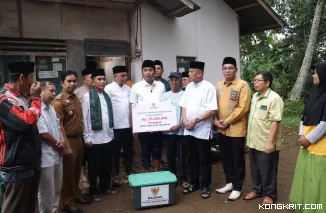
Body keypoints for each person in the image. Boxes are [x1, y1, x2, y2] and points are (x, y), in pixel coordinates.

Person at [0, 62, 42, 213]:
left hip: (29, 163)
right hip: (16, 166)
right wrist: (36, 97)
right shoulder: (4, 100)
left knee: (28, 208)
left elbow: (34, 117)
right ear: (22, 78)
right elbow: (26, 122)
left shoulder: (23, 98)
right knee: (14, 208)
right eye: (31, 77)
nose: (34, 82)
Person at [289, 62, 326, 212]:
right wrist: (300, 135)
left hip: (319, 145)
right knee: (305, 176)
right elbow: (303, 117)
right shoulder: (313, 93)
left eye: (316, 73)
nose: (313, 75)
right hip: (305, 143)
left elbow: (324, 123)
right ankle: (304, 206)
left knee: (316, 180)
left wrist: (308, 139)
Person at [244, 71, 284, 204]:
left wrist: (270, 141)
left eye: (258, 80)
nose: (255, 83)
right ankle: (256, 190)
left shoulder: (274, 98)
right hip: (254, 141)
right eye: (254, 80)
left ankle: (270, 195)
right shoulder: (255, 96)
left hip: (266, 142)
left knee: (269, 170)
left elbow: (275, 121)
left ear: (267, 83)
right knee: (255, 168)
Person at [215, 57, 251, 200]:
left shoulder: (243, 85)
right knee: (225, 157)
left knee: (238, 159)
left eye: (230, 68)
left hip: (236, 129)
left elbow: (243, 108)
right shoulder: (218, 86)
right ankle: (229, 182)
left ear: (236, 69)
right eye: (225, 68)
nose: (227, 70)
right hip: (221, 128)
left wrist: (227, 121)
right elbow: (213, 107)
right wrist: (216, 121)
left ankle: (237, 187)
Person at [179, 61, 217, 199]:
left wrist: (195, 121)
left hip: (202, 131)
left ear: (199, 73)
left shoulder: (209, 87)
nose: (188, 74)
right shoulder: (189, 87)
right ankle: (194, 183)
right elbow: (183, 105)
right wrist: (184, 120)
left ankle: (205, 186)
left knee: (204, 159)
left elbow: (212, 109)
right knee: (191, 158)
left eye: (191, 72)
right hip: (188, 130)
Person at [52, 71, 85, 213]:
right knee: (68, 174)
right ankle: (68, 203)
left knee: (77, 171)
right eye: (69, 81)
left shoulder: (75, 98)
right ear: (62, 83)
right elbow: (58, 125)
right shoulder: (58, 101)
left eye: (74, 81)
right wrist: (64, 143)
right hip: (68, 140)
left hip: (79, 139)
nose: (72, 84)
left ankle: (76, 195)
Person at [82, 68, 117, 202]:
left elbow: (109, 115)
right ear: (93, 81)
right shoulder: (87, 96)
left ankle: (105, 187)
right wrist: (86, 137)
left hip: (107, 136)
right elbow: (84, 118)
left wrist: (112, 132)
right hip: (93, 138)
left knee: (107, 164)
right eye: (99, 79)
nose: (102, 82)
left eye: (104, 79)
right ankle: (93, 191)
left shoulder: (106, 95)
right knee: (93, 167)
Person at [130, 60, 165, 172]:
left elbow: (164, 105)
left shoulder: (161, 86)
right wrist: (134, 126)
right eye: (145, 70)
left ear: (154, 72)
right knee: (144, 150)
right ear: (142, 72)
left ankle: (156, 171)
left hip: (157, 124)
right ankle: (146, 172)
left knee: (157, 149)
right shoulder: (136, 87)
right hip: (142, 125)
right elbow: (132, 106)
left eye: (150, 70)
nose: (148, 73)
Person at [37, 81, 65, 213]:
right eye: (51, 91)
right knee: (46, 192)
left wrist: (63, 140)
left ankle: (55, 211)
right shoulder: (37, 110)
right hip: (45, 157)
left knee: (56, 189)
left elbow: (58, 126)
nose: (54, 94)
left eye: (55, 91)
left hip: (57, 155)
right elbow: (43, 134)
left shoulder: (51, 108)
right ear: (41, 92)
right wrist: (58, 144)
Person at [105, 66, 134, 186]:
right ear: (115, 76)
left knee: (128, 150)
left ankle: (129, 171)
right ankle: (115, 175)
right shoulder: (108, 89)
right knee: (115, 152)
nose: (124, 78)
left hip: (128, 125)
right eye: (122, 76)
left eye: (125, 75)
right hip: (115, 127)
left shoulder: (128, 88)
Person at [74, 60, 97, 192]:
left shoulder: (96, 91)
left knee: (91, 153)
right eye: (90, 78)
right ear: (84, 79)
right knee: (83, 154)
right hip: (81, 126)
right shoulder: (78, 92)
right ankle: (82, 175)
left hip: (93, 126)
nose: (93, 81)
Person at [161, 71, 187, 185]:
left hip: (181, 131)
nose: (174, 82)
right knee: (170, 157)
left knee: (182, 157)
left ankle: (183, 178)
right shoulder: (164, 96)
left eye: (176, 80)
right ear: (169, 81)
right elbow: (160, 113)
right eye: (172, 80)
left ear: (181, 81)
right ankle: (172, 178)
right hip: (168, 132)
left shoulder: (185, 95)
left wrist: (179, 125)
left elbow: (187, 113)